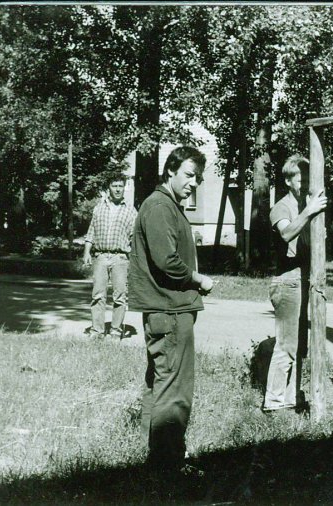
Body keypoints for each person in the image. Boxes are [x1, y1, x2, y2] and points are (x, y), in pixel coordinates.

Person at [128, 145, 214, 470]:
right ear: (171, 172)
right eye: (189, 175)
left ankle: (158, 460)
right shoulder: (161, 206)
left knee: (161, 383)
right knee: (174, 387)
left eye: (198, 178)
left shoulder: (165, 205)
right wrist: (198, 279)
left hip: (167, 311)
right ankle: (168, 463)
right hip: (171, 311)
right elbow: (167, 260)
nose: (194, 183)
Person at [263, 155, 327, 412]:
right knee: (287, 346)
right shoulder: (282, 207)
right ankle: (273, 402)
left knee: (299, 347)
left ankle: (291, 399)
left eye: (307, 178)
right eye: (300, 179)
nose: (305, 184)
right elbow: (288, 232)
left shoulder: (305, 205)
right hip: (287, 280)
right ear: (288, 180)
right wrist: (309, 211)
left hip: (303, 279)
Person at [83, 173, 137, 340]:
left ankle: (115, 330)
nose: (118, 189)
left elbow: (134, 237)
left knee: (120, 295)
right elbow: (91, 232)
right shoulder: (99, 208)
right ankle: (97, 331)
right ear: (108, 189)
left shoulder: (130, 210)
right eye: (115, 186)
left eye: (121, 186)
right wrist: (86, 252)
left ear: (124, 188)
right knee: (98, 295)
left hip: (120, 258)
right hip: (100, 257)